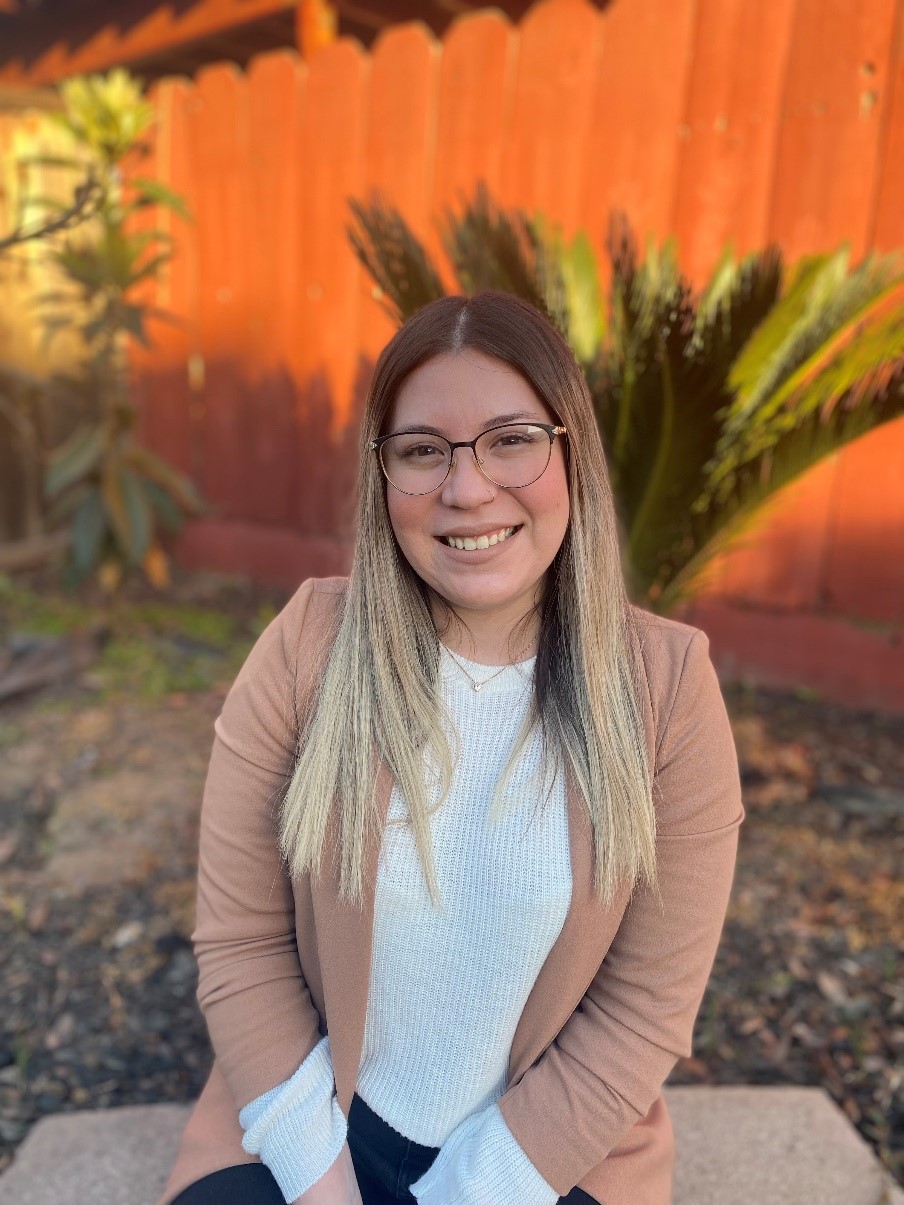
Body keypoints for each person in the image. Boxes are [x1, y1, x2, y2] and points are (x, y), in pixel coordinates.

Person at [160, 291, 744, 1205]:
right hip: (319, 1124)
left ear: (572, 452)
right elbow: (243, 946)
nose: (466, 489)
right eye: (423, 450)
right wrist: (321, 1182)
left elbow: (643, 1011)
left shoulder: (668, 691)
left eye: (511, 439)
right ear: (383, 475)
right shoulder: (310, 646)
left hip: (540, 1154)